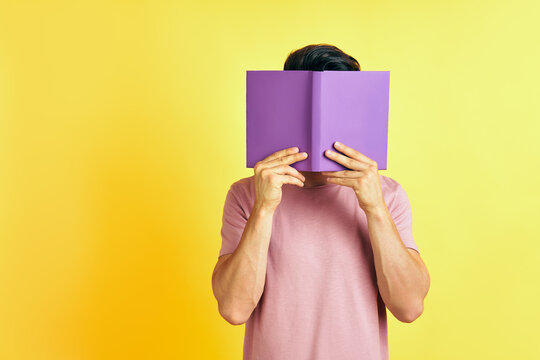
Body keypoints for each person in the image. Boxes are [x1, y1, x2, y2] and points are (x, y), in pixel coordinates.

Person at [211, 44, 430, 360]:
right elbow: (233, 309)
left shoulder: (388, 194)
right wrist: (264, 208)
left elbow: (409, 307)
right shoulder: (247, 195)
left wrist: (375, 208)